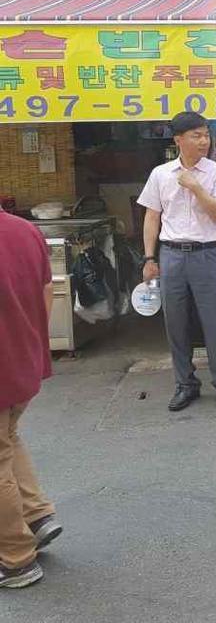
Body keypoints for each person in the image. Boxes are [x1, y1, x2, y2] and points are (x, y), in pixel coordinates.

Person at [138, 112, 216, 411]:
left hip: (207, 254)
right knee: (175, 323)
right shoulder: (160, 174)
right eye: (196, 135)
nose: (203, 141)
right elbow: (152, 216)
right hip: (170, 256)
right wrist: (149, 257)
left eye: (206, 134)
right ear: (178, 139)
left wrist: (195, 187)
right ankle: (185, 384)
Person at [0, 209, 62, 588]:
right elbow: (46, 289)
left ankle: (16, 558)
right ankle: (38, 516)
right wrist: (37, 343)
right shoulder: (25, 230)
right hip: (22, 362)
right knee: (9, 438)